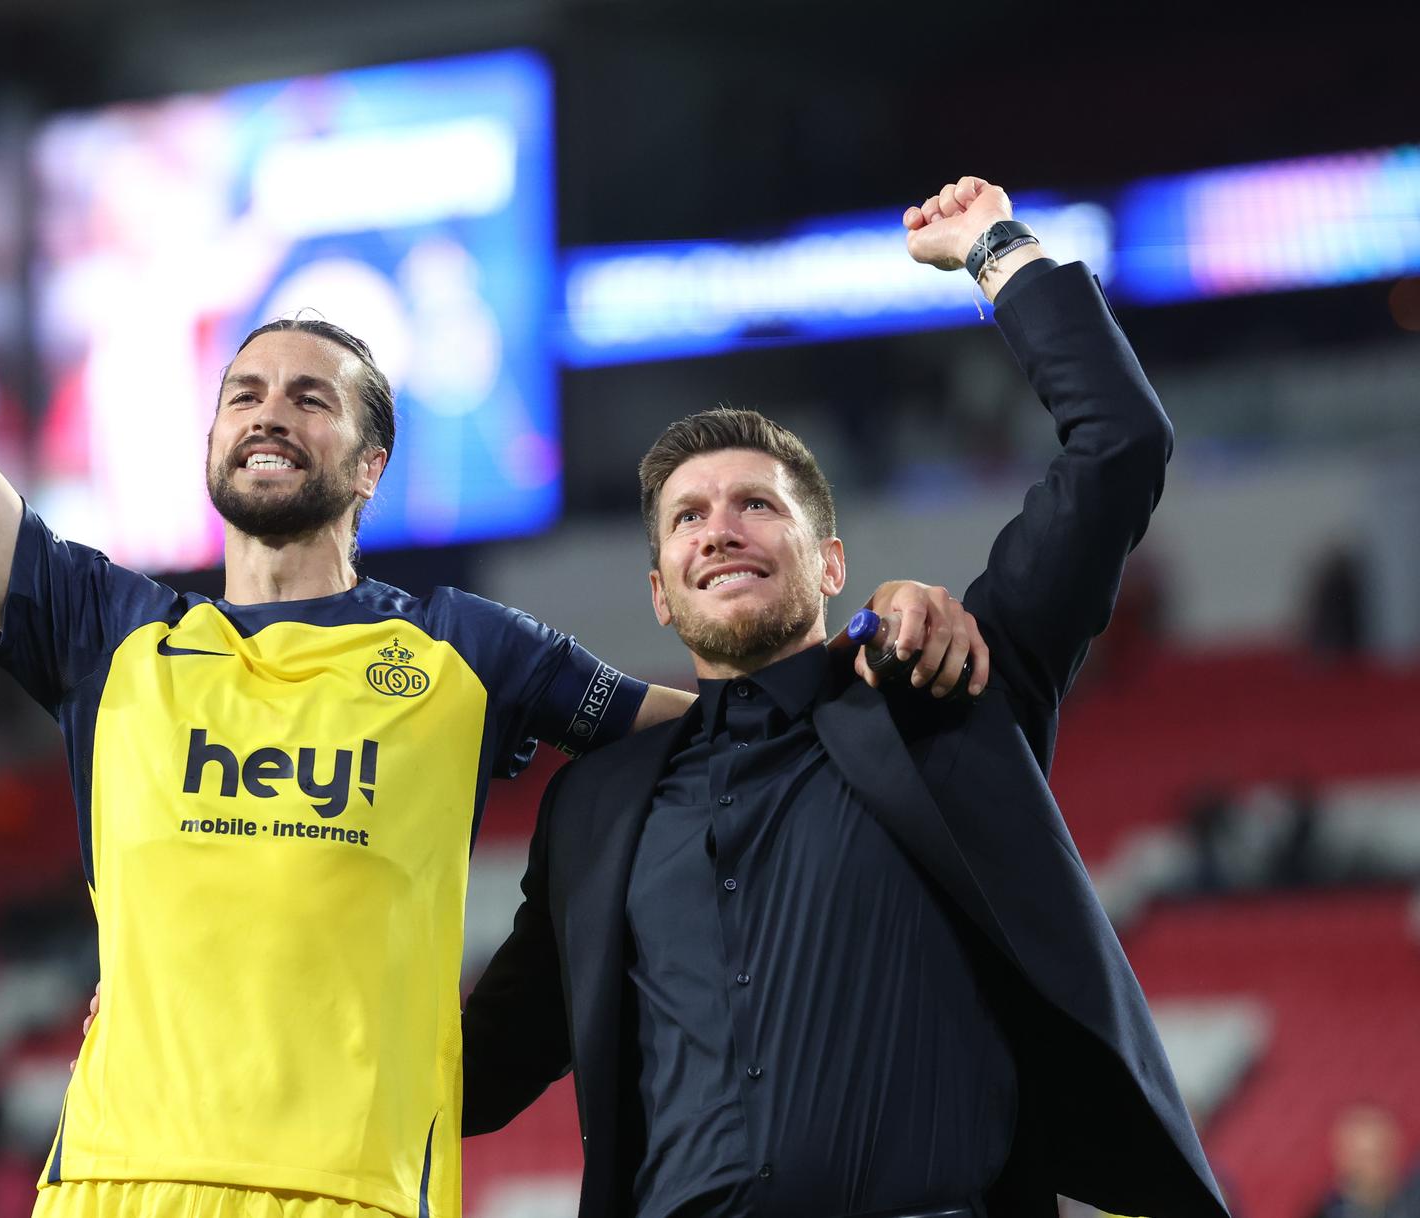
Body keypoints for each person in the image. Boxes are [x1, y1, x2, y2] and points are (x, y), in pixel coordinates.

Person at [0, 16, 983, 1218]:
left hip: (363, 1195)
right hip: (118, 1189)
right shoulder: (102, 629)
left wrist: (876, 636)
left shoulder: (462, 649)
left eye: (310, 398)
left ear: (372, 461)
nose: (269, 412)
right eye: (244, 393)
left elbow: (733, 731)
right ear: (212, 433)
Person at [461, 177, 1230, 1218]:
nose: (717, 529)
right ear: (659, 591)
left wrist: (995, 250)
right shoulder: (594, 806)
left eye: (753, 507)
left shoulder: (942, 692)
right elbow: (477, 1070)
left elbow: (1120, 444)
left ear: (830, 563)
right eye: (687, 518)